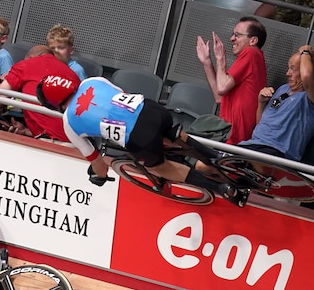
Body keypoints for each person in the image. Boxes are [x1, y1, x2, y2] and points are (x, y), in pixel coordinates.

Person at [36, 69, 249, 207]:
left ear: (51, 104)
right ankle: (217, 155)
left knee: (160, 167)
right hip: (150, 108)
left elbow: (99, 165)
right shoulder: (93, 80)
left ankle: (221, 189)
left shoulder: (69, 122)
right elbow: (122, 95)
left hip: (138, 136)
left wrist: (99, 176)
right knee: (173, 134)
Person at [238, 45, 314, 162]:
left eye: (293, 69)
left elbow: (306, 77)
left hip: (277, 153)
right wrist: (261, 103)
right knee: (210, 164)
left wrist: (306, 52)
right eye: (288, 68)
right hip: (252, 145)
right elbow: (260, 124)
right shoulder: (283, 89)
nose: (287, 73)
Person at [196, 17, 267, 144]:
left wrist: (220, 59)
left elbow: (222, 88)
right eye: (233, 34)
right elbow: (219, 97)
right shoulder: (249, 59)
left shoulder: (251, 53)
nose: (232, 39)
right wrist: (207, 62)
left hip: (232, 136)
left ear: (253, 40)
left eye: (237, 35)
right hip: (225, 132)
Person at [0, 45, 75, 141]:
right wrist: (26, 131)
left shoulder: (26, 64)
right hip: (79, 143)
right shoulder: (71, 73)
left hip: (51, 143)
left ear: (30, 58)